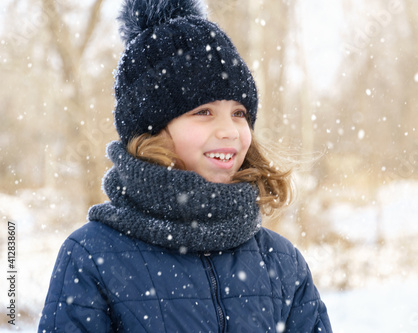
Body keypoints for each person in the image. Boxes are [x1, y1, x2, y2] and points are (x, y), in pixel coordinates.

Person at [38, 0, 332, 332]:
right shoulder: (92, 256)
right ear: (153, 130)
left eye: (239, 113)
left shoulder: (280, 261)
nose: (230, 131)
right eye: (204, 112)